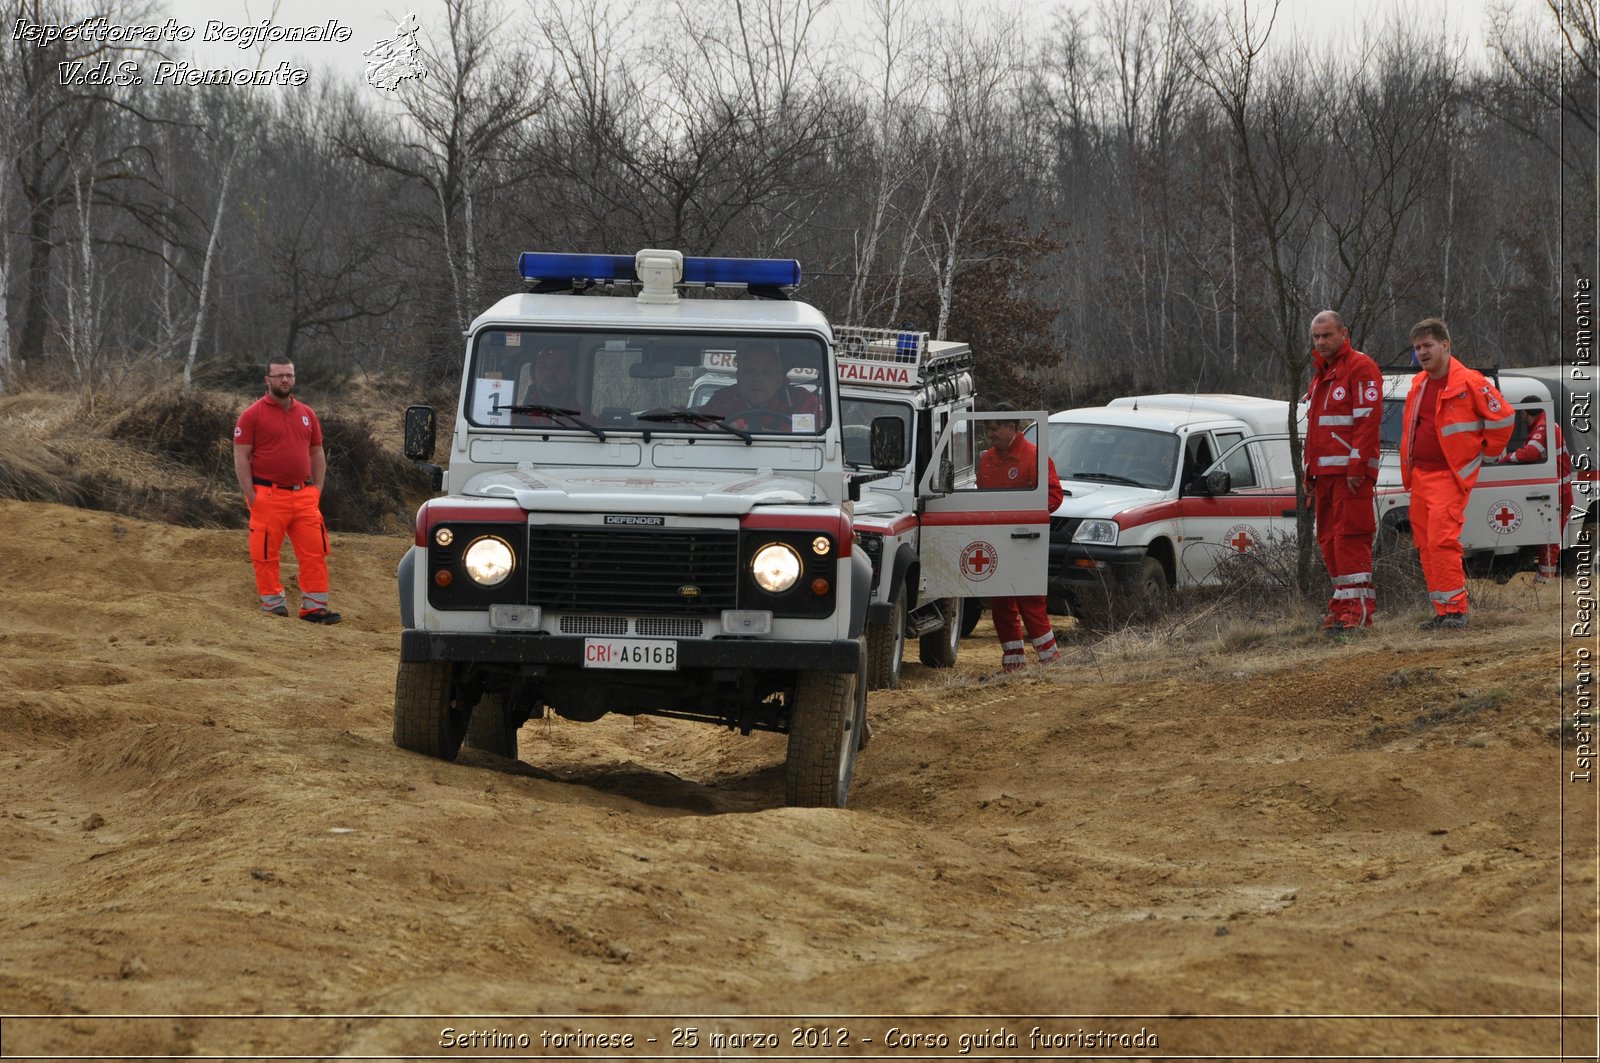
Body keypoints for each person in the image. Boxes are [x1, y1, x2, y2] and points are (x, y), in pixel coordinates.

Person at [1399, 318, 1514, 629]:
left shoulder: (1471, 382)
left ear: (1445, 345)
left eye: (1428, 345)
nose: (1422, 352)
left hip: (1448, 477)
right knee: (1425, 544)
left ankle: (1457, 611)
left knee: (1442, 541)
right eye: (1418, 347)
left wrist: (1487, 453)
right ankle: (1443, 611)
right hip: (1420, 476)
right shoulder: (1419, 384)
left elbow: (1503, 418)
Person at [232, 358, 341, 624]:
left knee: (315, 552)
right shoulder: (252, 415)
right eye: (279, 375)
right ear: (267, 379)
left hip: (304, 496)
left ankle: (314, 609)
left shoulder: (307, 413)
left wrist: (316, 489)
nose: (285, 380)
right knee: (266, 553)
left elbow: (316, 453)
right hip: (268, 496)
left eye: (289, 375)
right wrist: (251, 495)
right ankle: (273, 605)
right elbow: (241, 457)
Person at [1303, 310, 1383, 634]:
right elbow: (1314, 430)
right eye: (1316, 337)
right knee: (1329, 542)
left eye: (1327, 335)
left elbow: (1367, 420)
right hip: (1324, 476)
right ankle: (1341, 608)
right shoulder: (1322, 372)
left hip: (1351, 477)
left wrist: (1357, 465)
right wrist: (1308, 473)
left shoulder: (1360, 367)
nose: (1321, 341)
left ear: (1343, 333)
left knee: (1350, 540)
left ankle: (1358, 613)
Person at [978, 403, 1066, 671]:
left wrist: (1026, 519)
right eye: (988, 429)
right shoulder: (986, 460)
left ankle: (1049, 659)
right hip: (997, 541)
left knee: (1030, 599)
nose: (990, 434)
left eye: (995, 428)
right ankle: (1013, 662)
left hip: (1026, 540)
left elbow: (1055, 497)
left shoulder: (1035, 458)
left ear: (1012, 428)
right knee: (1000, 600)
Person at [1500, 398, 1572, 584]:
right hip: (1558, 490)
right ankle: (1543, 577)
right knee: (1546, 535)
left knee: (1549, 536)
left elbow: (1531, 453)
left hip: (1558, 492)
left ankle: (1546, 580)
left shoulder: (1543, 426)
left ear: (1524, 413)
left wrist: (1507, 458)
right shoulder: (1546, 424)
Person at [697, 343, 822, 431]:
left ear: (779, 380)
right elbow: (697, 423)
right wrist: (712, 428)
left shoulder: (802, 400)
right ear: (738, 377)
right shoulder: (722, 399)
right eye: (748, 371)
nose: (757, 379)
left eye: (766, 372)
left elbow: (810, 439)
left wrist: (755, 431)